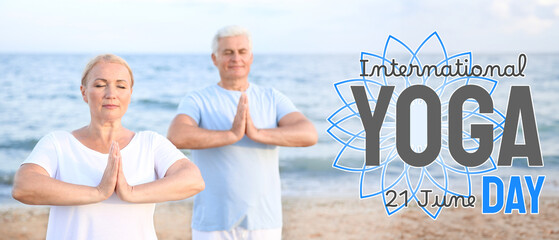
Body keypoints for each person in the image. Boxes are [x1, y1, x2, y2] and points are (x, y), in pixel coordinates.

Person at [11, 54, 205, 240]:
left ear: (130, 93)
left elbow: (193, 180)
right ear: (84, 92)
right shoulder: (58, 143)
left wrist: (130, 192)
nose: (111, 94)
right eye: (100, 85)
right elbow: (23, 186)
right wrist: (98, 192)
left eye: (121, 86)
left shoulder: (150, 143)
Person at [167, 25, 318, 239]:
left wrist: (256, 133)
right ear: (214, 58)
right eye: (227, 52)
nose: (235, 58)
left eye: (242, 52)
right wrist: (230, 135)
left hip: (263, 221)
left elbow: (308, 134)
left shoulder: (272, 97)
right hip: (212, 222)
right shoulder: (197, 99)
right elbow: (177, 135)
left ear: (251, 57)